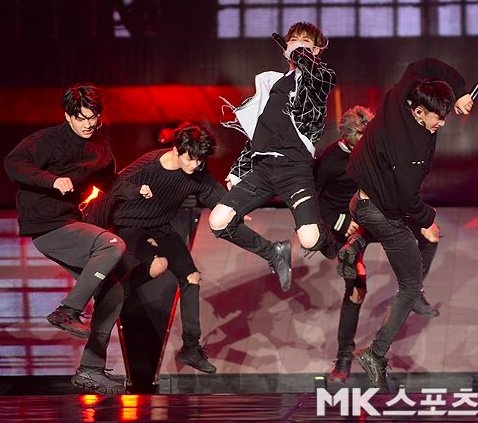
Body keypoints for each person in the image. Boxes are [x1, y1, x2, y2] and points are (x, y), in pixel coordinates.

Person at [4, 84, 153, 394]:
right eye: (82, 118)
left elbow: (108, 180)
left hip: (69, 222)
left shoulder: (98, 144)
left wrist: (135, 190)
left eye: (93, 117)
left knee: (112, 293)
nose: (88, 124)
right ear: (68, 115)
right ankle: (67, 311)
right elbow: (13, 163)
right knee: (112, 244)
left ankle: (90, 370)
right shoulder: (49, 140)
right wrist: (51, 180)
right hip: (46, 224)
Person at [335, 58, 473, 391]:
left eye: (446, 116)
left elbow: (424, 63)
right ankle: (376, 354)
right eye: (437, 117)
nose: (442, 123)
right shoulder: (412, 149)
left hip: (360, 199)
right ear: (420, 112)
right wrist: (427, 219)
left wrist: (459, 92)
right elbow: (408, 202)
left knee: (407, 229)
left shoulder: (401, 94)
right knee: (409, 285)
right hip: (381, 210)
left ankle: (356, 243)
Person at [84, 123, 265, 375]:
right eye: (190, 159)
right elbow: (109, 192)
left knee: (191, 278)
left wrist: (233, 212)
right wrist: (96, 234)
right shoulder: (147, 167)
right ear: (176, 149)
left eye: (200, 161)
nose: (194, 165)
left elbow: (214, 194)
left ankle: (190, 347)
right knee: (159, 265)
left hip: (160, 226)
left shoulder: (197, 172)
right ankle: (116, 292)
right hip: (131, 225)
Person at [313, 105, 440, 385]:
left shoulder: (375, 149)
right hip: (345, 222)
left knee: (430, 235)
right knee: (356, 290)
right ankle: (344, 357)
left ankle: (414, 291)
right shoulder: (331, 160)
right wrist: (338, 222)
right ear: (347, 138)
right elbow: (313, 198)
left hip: (375, 212)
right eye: (360, 139)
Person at [209, 22, 337, 292]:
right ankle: (273, 252)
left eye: (305, 43)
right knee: (218, 220)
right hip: (264, 168)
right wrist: (239, 170)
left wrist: (298, 52)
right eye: (294, 40)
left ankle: (326, 237)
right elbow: (260, 132)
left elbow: (321, 76)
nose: (298, 46)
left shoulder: (318, 81)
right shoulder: (271, 83)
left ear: (316, 50)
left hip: (295, 169)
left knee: (309, 238)